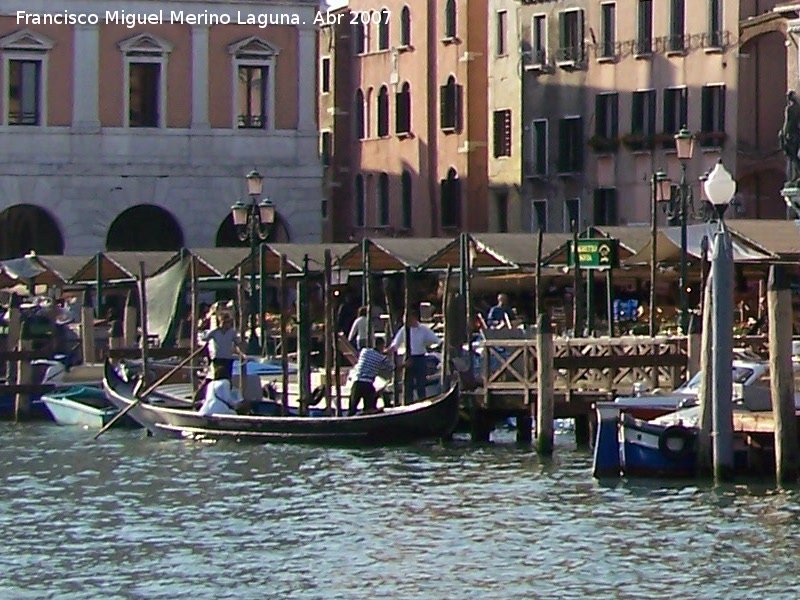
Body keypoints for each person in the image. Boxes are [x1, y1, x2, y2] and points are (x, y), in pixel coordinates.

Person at [389, 309, 441, 401]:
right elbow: (396, 344)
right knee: (408, 384)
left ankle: (422, 400)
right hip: (409, 358)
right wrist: (387, 351)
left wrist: (437, 345)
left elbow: (436, 340)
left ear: (413, 318)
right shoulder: (404, 330)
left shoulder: (423, 329)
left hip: (420, 358)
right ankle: (408, 402)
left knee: (421, 383)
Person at [348, 337, 393, 416]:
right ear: (382, 345)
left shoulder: (364, 351)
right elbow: (392, 367)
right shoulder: (382, 358)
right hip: (367, 384)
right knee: (369, 409)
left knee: (352, 409)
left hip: (356, 382)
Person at [201, 310, 248, 381]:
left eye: (229, 322)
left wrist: (242, 354)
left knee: (228, 378)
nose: (228, 324)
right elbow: (204, 339)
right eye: (226, 322)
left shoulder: (232, 332)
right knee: (218, 377)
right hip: (218, 358)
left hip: (228, 358)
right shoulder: (215, 332)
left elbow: (237, 344)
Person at [780, 90, 800, 185]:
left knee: (792, 156)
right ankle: (796, 174)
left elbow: (787, 122)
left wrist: (783, 133)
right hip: (797, 134)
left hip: (791, 135)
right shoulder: (798, 108)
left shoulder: (790, 108)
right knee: (794, 156)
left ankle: (797, 174)